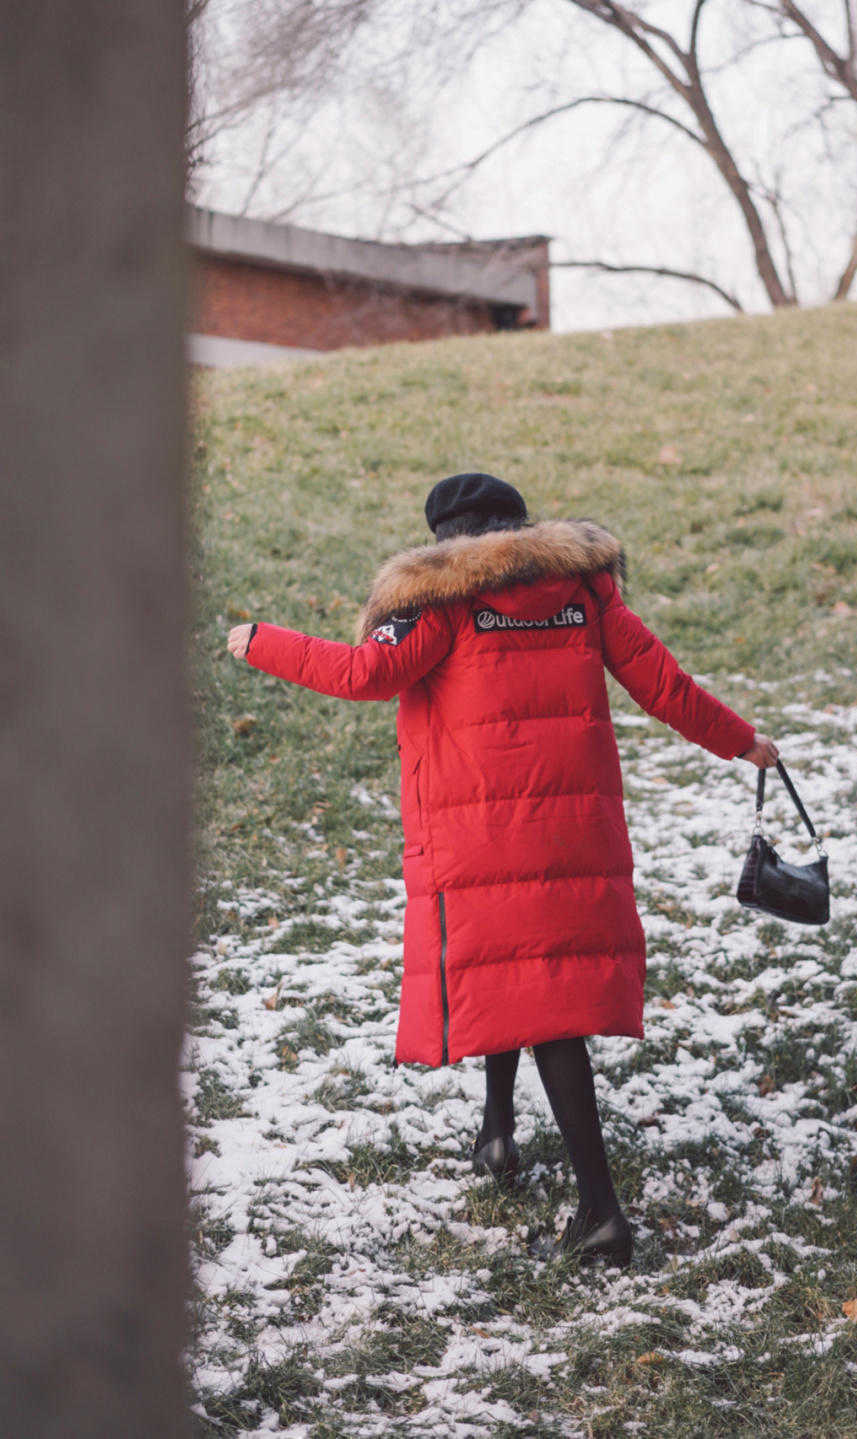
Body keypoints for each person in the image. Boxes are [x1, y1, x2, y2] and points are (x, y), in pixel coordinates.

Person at [226, 472, 778, 1268]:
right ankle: (497, 1133)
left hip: (487, 836)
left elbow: (363, 675)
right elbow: (663, 683)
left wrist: (258, 639)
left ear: (446, 541)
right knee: (523, 976)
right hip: (571, 834)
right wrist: (741, 739)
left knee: (540, 1003)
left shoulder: (437, 601)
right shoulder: (582, 593)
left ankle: (601, 1212)